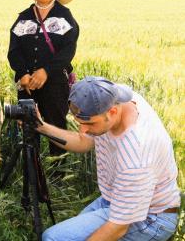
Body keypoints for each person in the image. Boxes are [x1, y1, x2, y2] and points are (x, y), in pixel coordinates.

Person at [36, 76, 180, 241]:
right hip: (117, 199)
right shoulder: (112, 97)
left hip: (151, 218)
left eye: (90, 124)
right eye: (80, 122)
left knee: (53, 238)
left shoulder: (136, 156)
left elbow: (118, 228)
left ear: (112, 112)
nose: (83, 130)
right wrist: (40, 126)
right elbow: (83, 142)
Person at [8, 0, 79, 158]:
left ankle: (58, 172)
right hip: (26, 84)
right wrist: (22, 73)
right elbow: (14, 51)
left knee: (56, 125)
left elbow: (68, 51)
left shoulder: (65, 17)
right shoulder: (23, 18)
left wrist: (46, 71)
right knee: (29, 126)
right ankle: (32, 171)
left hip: (54, 82)